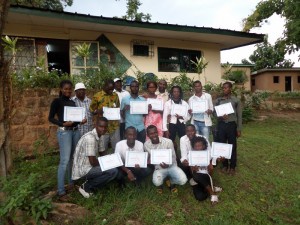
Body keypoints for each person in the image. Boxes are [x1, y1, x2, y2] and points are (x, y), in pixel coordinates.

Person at [48, 80, 82, 201]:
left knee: (72, 158)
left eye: (69, 89)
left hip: (75, 131)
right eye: (66, 89)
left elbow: (74, 119)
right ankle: (61, 191)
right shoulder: (57, 101)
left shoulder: (72, 103)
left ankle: (71, 183)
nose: (68, 91)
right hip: (64, 132)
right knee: (64, 161)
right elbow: (50, 118)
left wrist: (80, 121)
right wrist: (62, 123)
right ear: (61, 89)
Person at [72, 117, 118, 198]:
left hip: (88, 166)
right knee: (113, 171)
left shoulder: (99, 135)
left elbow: (102, 153)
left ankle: (91, 182)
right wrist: (108, 165)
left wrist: (112, 161)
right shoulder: (90, 138)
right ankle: (86, 186)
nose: (103, 129)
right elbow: (93, 162)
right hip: (83, 170)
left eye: (105, 127)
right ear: (95, 125)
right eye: (101, 126)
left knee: (112, 167)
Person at [144, 125, 187, 193]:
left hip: (171, 166)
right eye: (151, 134)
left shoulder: (168, 142)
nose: (154, 135)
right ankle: (162, 182)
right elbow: (148, 158)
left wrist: (168, 164)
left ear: (157, 132)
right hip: (159, 167)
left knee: (183, 180)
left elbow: (173, 157)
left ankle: (172, 181)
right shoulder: (146, 144)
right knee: (157, 182)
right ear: (148, 135)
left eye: (155, 132)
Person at [214, 82, 242, 175]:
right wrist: (221, 117)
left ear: (230, 89)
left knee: (232, 146)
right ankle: (225, 165)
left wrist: (239, 129)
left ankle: (232, 166)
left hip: (231, 125)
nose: (224, 89)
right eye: (223, 88)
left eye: (226, 88)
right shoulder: (218, 101)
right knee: (222, 146)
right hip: (221, 125)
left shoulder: (236, 100)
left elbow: (239, 116)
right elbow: (215, 114)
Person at [189, 136, 222, 204]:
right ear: (193, 146)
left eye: (200, 146)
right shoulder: (191, 155)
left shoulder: (208, 154)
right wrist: (193, 168)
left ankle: (211, 190)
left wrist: (211, 168)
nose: (198, 148)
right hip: (196, 179)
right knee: (200, 196)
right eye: (196, 146)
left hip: (207, 176)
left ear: (203, 146)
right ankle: (211, 190)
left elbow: (211, 170)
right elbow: (191, 171)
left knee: (201, 196)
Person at [90, 79, 120, 152]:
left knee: (116, 149)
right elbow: (91, 110)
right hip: (102, 128)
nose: (111, 91)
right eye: (109, 89)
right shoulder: (97, 96)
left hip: (114, 126)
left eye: (112, 89)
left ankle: (116, 163)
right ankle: (102, 163)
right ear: (104, 86)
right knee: (102, 149)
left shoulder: (115, 95)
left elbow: (118, 107)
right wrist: (97, 111)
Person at [163, 85, 190, 155]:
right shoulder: (168, 103)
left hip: (181, 124)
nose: (176, 93)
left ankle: (184, 157)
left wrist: (182, 118)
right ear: (171, 93)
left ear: (180, 93)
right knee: (170, 141)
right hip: (172, 124)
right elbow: (165, 117)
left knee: (184, 140)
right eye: (174, 91)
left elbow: (188, 116)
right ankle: (172, 157)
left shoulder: (184, 103)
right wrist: (165, 129)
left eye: (178, 91)